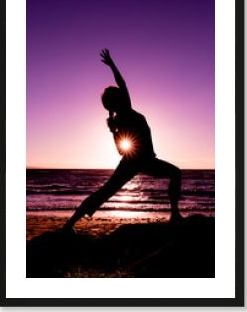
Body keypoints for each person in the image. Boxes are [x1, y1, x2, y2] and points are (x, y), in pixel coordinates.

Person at [64, 49, 181, 229]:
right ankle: (174, 214)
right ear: (117, 100)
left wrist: (113, 131)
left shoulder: (118, 119)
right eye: (119, 93)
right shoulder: (125, 111)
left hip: (133, 161)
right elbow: (123, 83)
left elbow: (121, 149)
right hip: (143, 160)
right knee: (175, 173)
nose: (123, 93)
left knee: (105, 192)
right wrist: (112, 65)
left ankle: (70, 224)